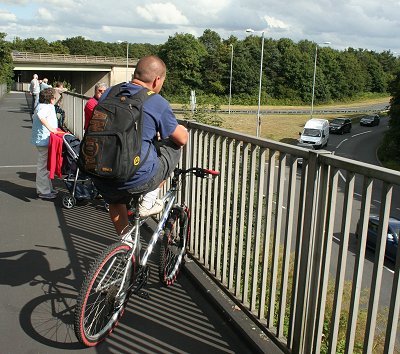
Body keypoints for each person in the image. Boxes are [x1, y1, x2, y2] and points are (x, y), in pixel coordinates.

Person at [93, 55, 188, 236]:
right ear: (157, 80)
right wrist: (182, 129)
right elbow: (181, 139)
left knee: (115, 198)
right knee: (173, 147)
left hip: (101, 172)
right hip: (137, 178)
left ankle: (126, 244)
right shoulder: (156, 101)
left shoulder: (109, 92)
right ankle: (148, 202)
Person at [31, 88, 62, 199]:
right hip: (45, 139)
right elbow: (41, 116)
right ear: (52, 99)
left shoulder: (40, 106)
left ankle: (46, 188)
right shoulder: (47, 107)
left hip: (42, 139)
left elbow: (36, 116)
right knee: (43, 166)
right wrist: (51, 129)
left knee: (45, 165)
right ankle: (43, 191)